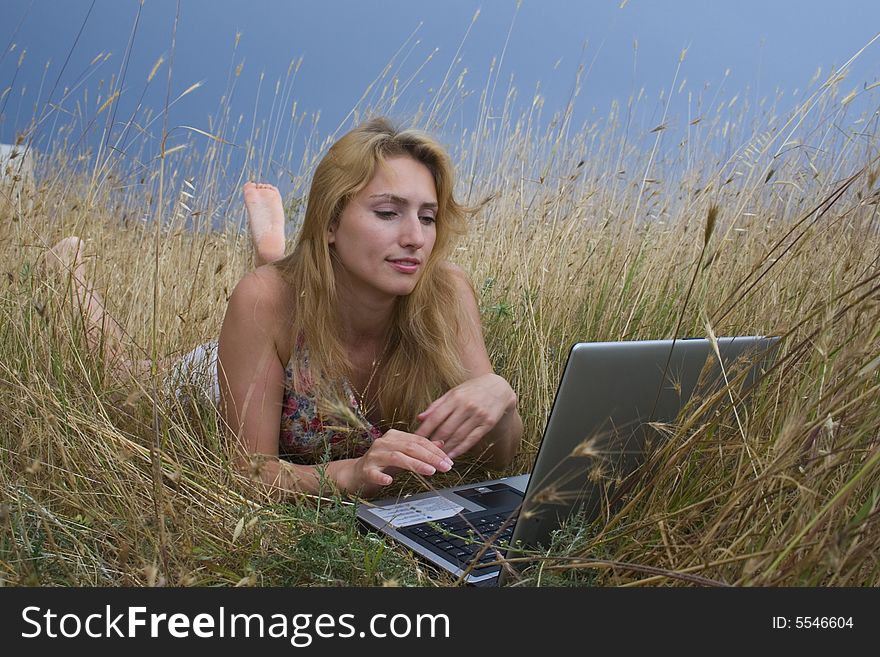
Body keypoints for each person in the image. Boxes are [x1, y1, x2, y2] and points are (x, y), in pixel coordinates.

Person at [42, 117, 523, 500]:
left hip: (297, 323)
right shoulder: (263, 302)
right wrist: (350, 474)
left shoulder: (446, 292)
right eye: (387, 213)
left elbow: (499, 459)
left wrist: (499, 397)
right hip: (231, 364)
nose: (415, 238)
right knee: (130, 374)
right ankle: (67, 272)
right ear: (331, 221)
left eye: (428, 217)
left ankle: (274, 254)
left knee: (282, 290)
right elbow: (248, 472)